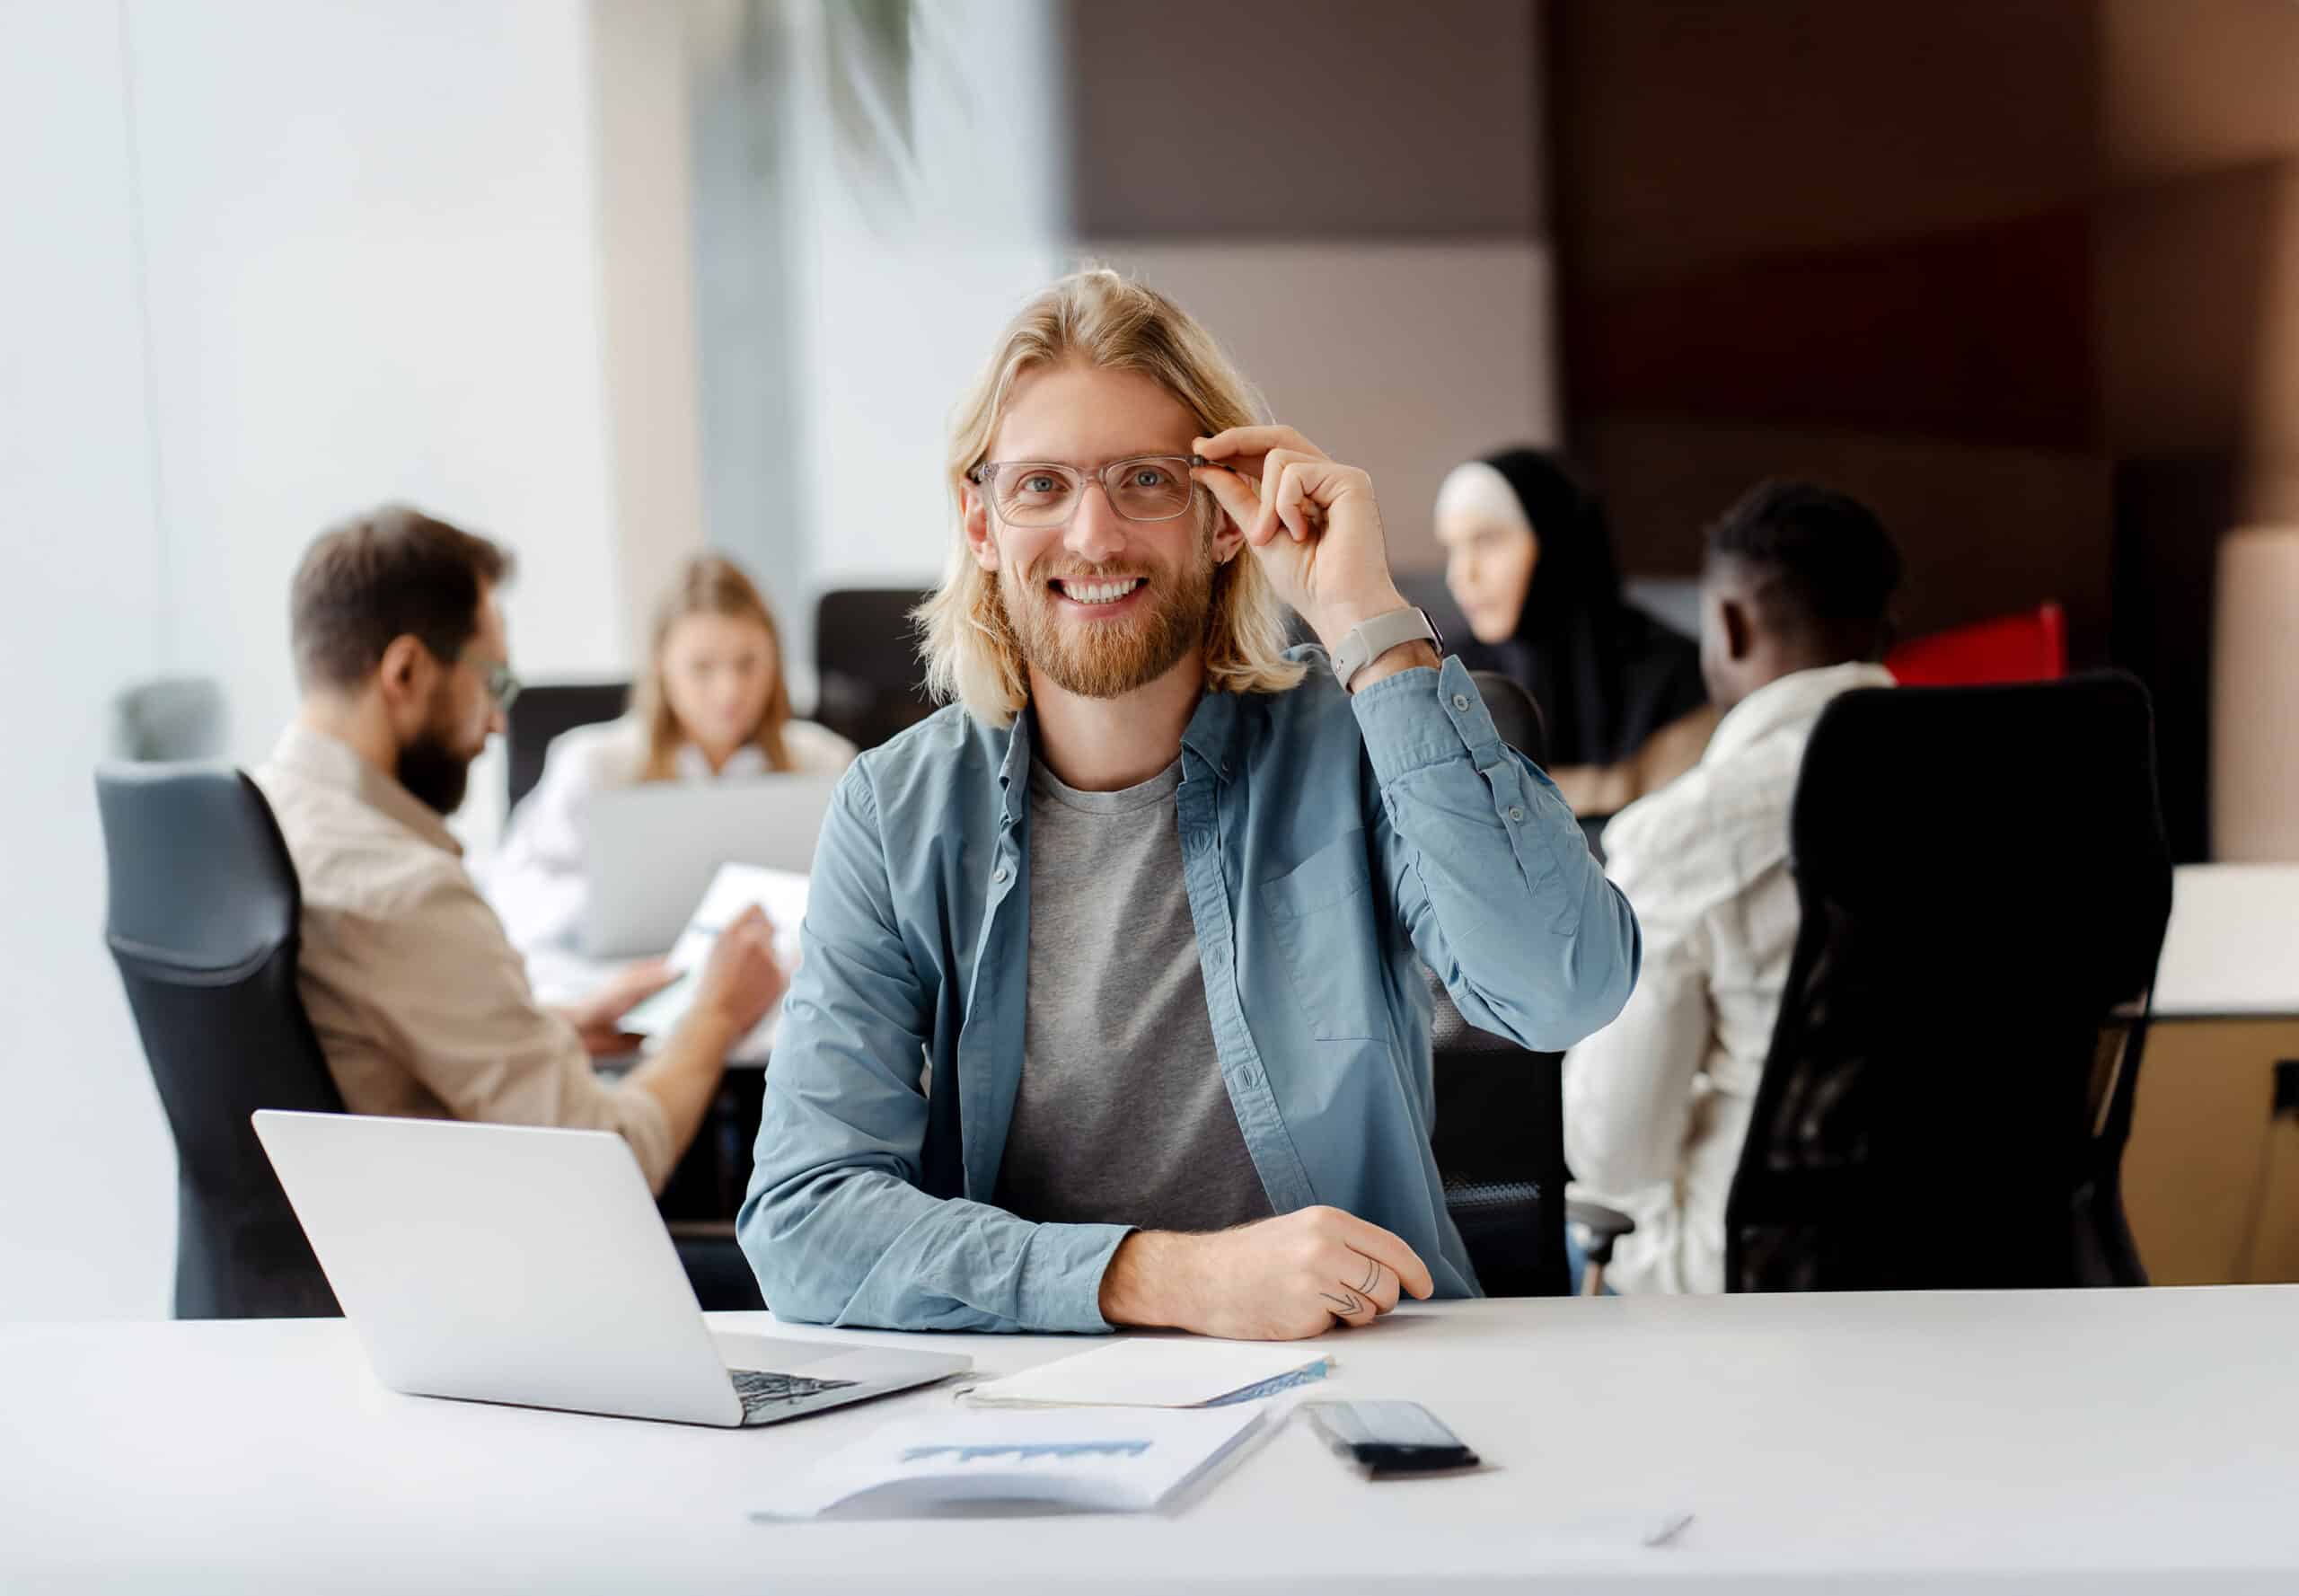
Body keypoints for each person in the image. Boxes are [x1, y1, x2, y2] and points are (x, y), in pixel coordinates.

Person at [737, 269, 1640, 1339]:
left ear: (1223, 519)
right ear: (980, 523)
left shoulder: (1355, 746)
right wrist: (1170, 1279)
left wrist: (1368, 618)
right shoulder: (896, 810)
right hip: (1023, 1410)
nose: (1093, 536)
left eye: (1146, 480)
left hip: (1361, 1384)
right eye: (1041, 487)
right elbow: (806, 1216)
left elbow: (1563, 988)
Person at [254, 507, 789, 1193]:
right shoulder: (402, 888)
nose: (500, 722)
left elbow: (385, 1025)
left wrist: (554, 1028)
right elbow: (609, 1158)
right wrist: (718, 1012)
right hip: (472, 1251)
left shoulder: (265, 822)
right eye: (494, 682)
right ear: (407, 672)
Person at [1561, 479, 1904, 1294]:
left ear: (1731, 623)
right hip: (1994, 1257)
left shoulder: (1684, 832)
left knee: (1587, 1221)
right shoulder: (2007, 792)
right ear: (1888, 630)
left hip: (1758, 1275)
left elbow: (1618, 1148)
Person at [487, 552, 856, 951]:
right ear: (663, 667)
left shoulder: (824, 762)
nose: (729, 690)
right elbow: (514, 893)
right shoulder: (594, 764)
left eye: (748, 664)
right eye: (702, 667)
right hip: (631, 974)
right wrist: (616, 904)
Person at [1432, 447, 1715, 816]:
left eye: (1487, 540)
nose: (1461, 575)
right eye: (1452, 548)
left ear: (1556, 541)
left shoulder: (1676, 677)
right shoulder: (1447, 677)